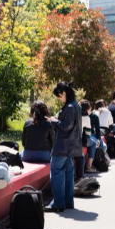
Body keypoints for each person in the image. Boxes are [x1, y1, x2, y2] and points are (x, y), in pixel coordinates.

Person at [46, 81, 82, 213]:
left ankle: (58, 203)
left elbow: (66, 126)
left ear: (64, 93)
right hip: (71, 146)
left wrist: (54, 121)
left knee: (56, 172)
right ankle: (68, 201)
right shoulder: (75, 106)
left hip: (62, 146)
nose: (59, 99)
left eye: (59, 96)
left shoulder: (70, 107)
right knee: (68, 173)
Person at [79, 99, 98, 173]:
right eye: (90, 108)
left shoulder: (75, 115)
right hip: (79, 140)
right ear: (87, 109)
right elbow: (88, 133)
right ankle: (89, 165)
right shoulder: (86, 118)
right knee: (93, 143)